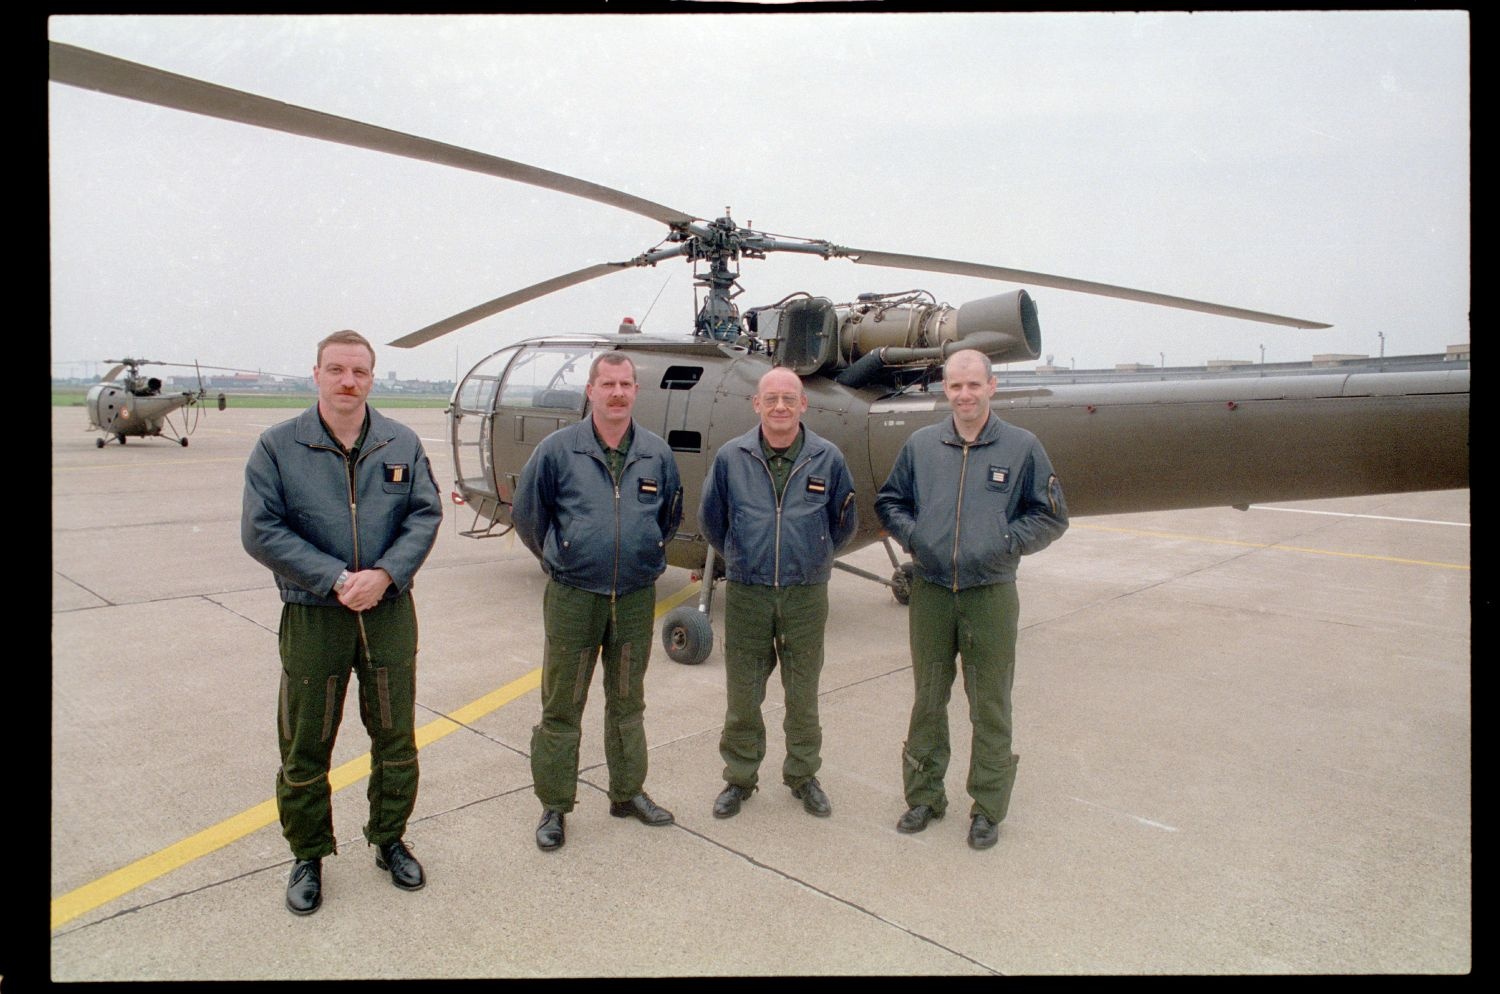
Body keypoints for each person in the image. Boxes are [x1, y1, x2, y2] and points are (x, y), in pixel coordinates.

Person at [242, 329, 442, 915]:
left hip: (388, 611)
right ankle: (307, 854)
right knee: (306, 743)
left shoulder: (400, 442)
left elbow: (424, 515)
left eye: (359, 371)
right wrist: (332, 577)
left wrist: (384, 574)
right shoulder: (278, 446)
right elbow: (262, 529)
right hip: (313, 614)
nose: (348, 381)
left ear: (372, 378)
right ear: (318, 374)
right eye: (337, 370)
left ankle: (389, 839)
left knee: (396, 738)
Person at [875, 348, 1068, 850]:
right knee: (928, 700)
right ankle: (923, 796)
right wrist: (917, 539)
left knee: (990, 705)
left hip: (991, 594)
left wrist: (1003, 542)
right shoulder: (921, 445)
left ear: (991, 387)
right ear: (945, 389)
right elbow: (889, 502)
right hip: (933, 592)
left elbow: (1050, 516)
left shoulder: (1023, 447)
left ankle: (987, 806)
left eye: (973, 385)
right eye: (955, 386)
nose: (964, 395)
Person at [512, 351, 684, 851]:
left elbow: (667, 517)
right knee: (562, 706)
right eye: (607, 384)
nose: (617, 393)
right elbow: (530, 516)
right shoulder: (557, 450)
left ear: (636, 391)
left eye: (625, 384)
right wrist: (562, 557)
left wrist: (641, 552)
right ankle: (554, 805)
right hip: (573, 597)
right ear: (590, 390)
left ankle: (627, 793)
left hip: (633, 597)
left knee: (628, 702)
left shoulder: (656, 453)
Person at [699, 367, 857, 820]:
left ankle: (803, 776)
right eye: (772, 399)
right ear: (757, 405)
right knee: (743, 695)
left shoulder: (827, 458)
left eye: (790, 398)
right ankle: (740, 778)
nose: (781, 407)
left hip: (806, 594)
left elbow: (843, 523)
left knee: (802, 694)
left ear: (804, 404)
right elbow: (712, 520)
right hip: (749, 593)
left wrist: (814, 556)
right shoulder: (732, 457)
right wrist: (741, 554)